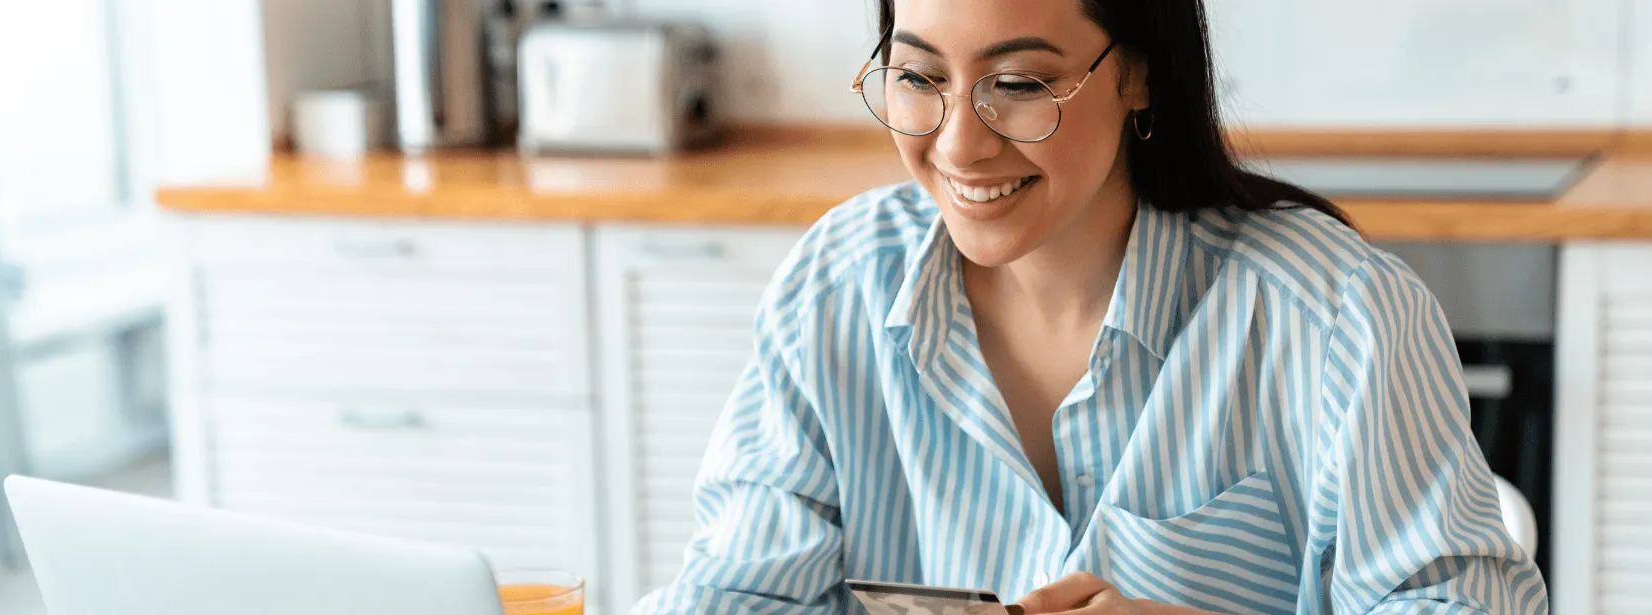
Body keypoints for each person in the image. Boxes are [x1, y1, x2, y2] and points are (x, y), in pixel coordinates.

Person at [632, 0, 1549, 612]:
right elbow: (739, 586)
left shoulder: (1337, 317)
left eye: (1020, 84)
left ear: (1137, 74)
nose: (960, 144)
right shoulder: (835, 288)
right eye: (918, 79)